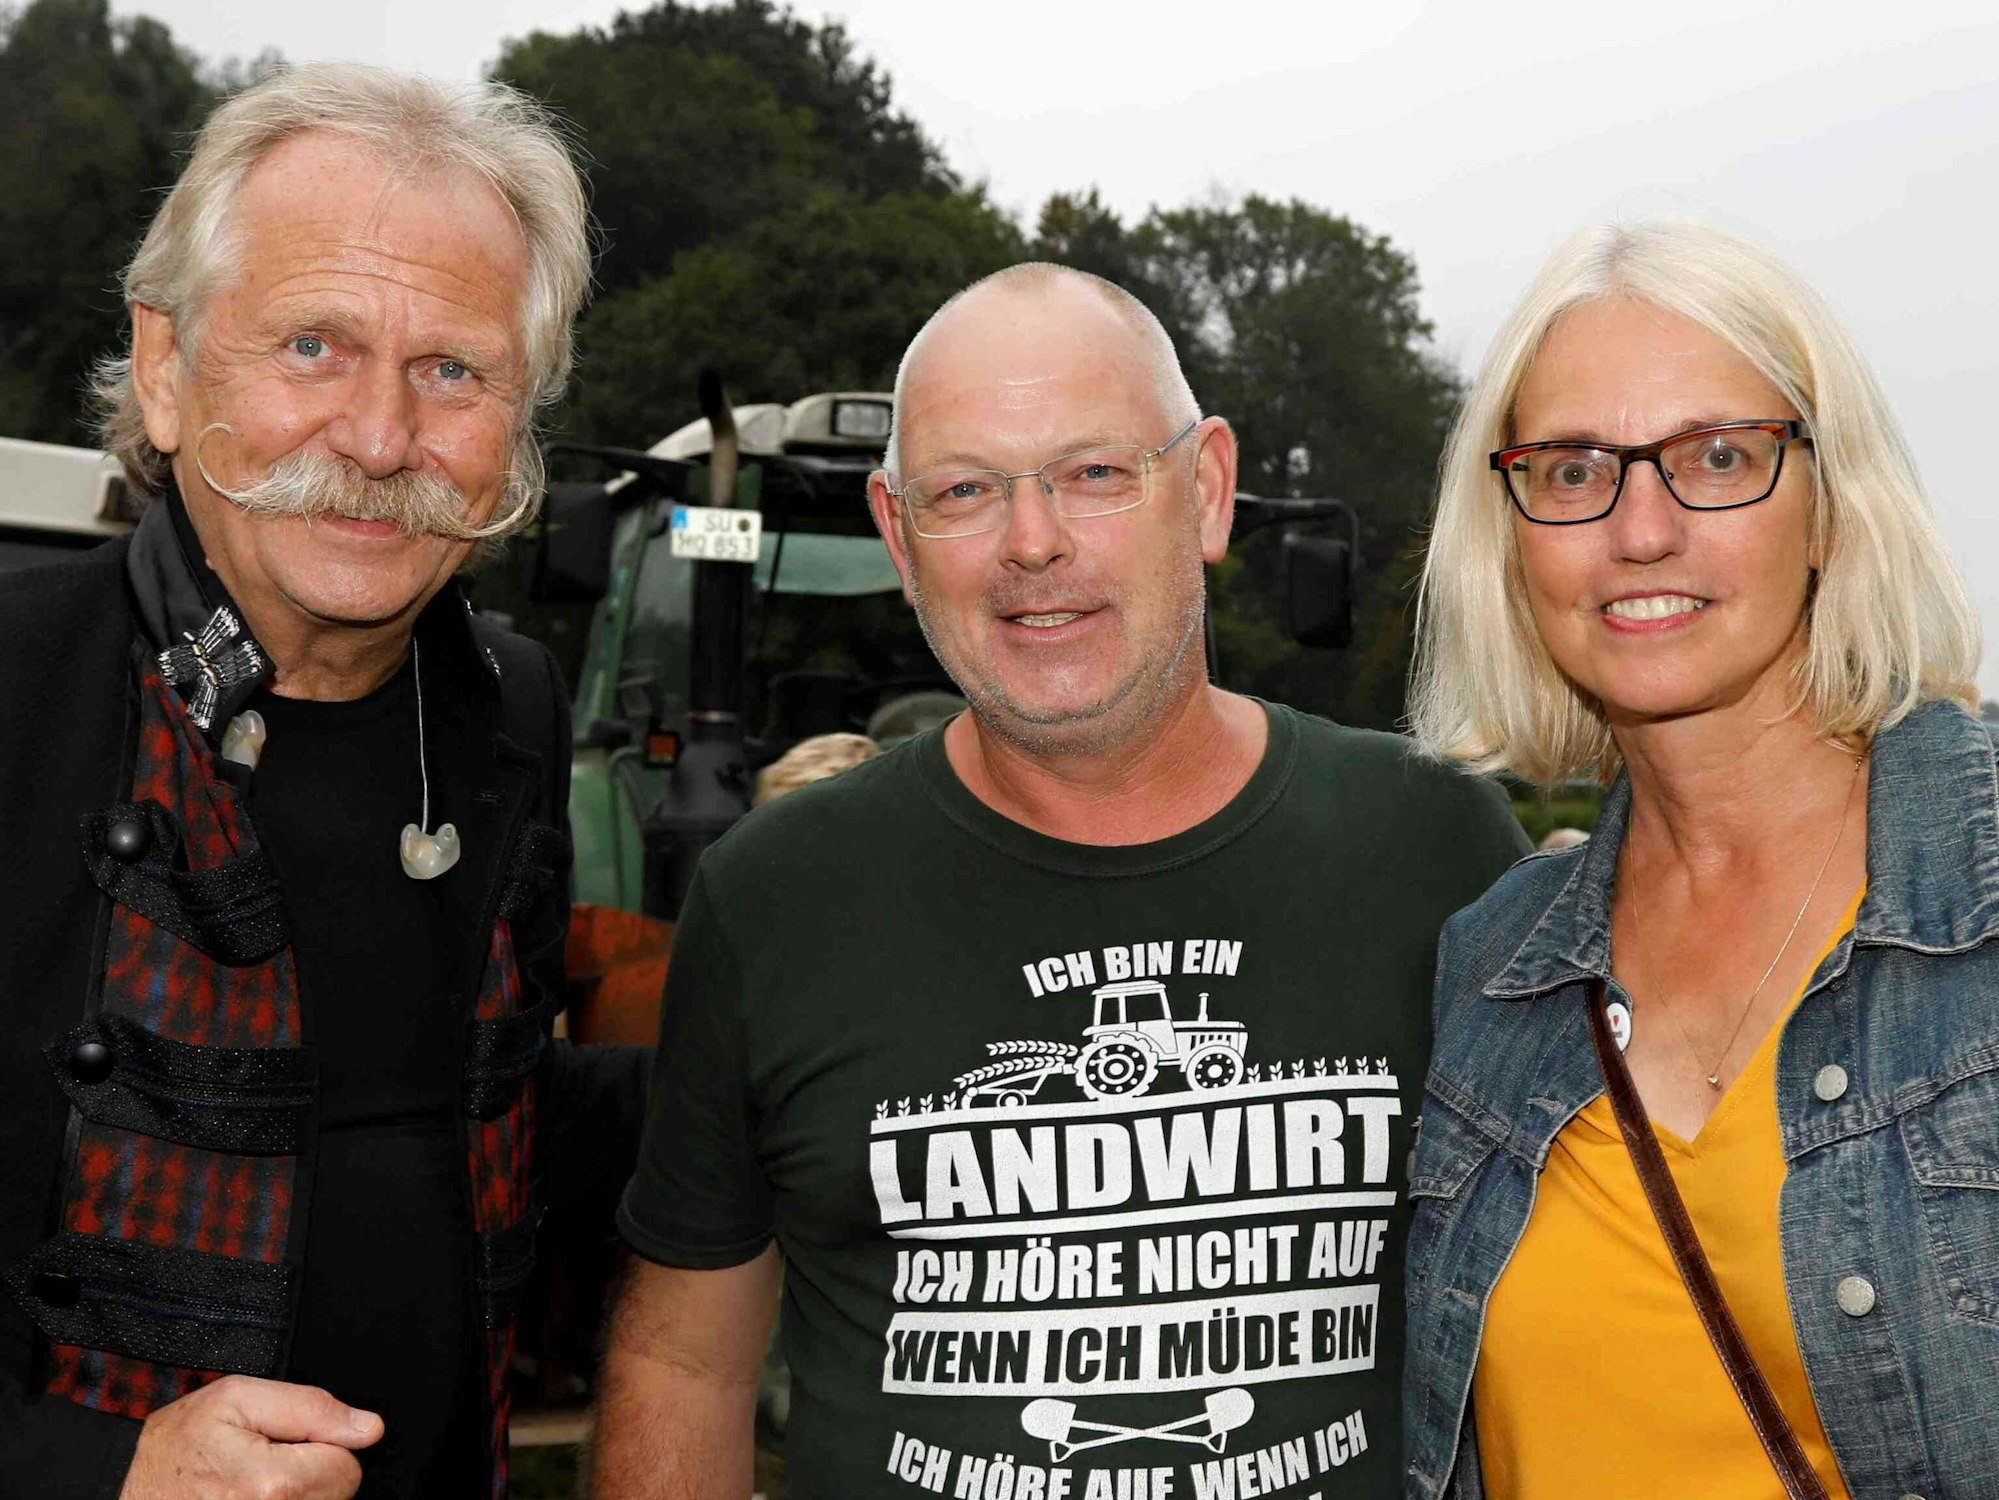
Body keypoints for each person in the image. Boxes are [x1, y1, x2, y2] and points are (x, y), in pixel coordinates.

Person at [593, 263, 1529, 1499]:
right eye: (965, 491)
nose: (1032, 544)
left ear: (1203, 491)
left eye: (1093, 474)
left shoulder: (1435, 843)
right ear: (898, 534)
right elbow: (687, 1365)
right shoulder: (773, 896)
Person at [0, 64, 650, 1500]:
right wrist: (90, 1469)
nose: (377, 439)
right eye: (312, 345)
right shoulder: (17, 691)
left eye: (452, 371)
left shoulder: (508, 716)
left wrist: (795, 1049)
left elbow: (464, 1114)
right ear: (165, 370)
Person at [1404, 221, 1992, 1499]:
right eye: (1570, 471)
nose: (1640, 529)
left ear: (1831, 505)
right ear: (1511, 536)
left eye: (1716, 456)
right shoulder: (1490, 965)